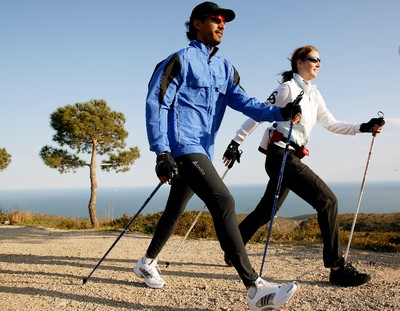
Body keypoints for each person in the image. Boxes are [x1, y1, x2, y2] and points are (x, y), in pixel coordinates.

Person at [133, 2, 302, 310]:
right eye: (216, 19)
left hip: (203, 150)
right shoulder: (178, 61)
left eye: (225, 21)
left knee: (174, 210)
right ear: (197, 23)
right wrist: (162, 151)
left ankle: (146, 262)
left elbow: (245, 102)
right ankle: (254, 288)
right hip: (182, 147)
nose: (222, 25)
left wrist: (280, 112)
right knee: (223, 201)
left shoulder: (225, 68)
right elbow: (155, 104)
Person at [222, 45, 385, 288]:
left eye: (320, 60)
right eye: (313, 59)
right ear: (299, 62)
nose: (318, 63)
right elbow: (259, 113)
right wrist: (235, 143)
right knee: (327, 201)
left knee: (267, 210)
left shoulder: (314, 94)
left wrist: (364, 126)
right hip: (280, 155)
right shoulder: (288, 88)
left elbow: (332, 124)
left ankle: (233, 248)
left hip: (291, 157)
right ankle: (337, 268)